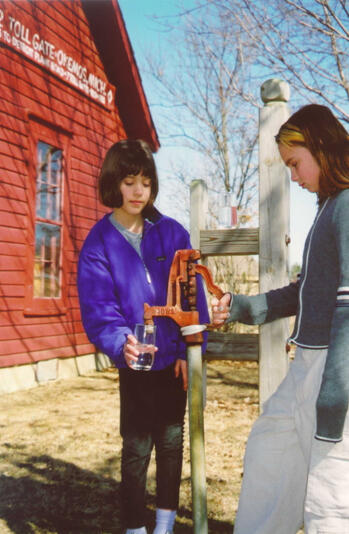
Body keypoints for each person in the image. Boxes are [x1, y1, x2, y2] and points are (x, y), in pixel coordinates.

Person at [212, 104, 349, 534]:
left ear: (322, 147)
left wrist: (336, 390)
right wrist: (241, 306)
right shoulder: (328, 206)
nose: (293, 176)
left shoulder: (347, 205)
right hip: (307, 365)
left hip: (334, 368)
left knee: (330, 495)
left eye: (295, 163)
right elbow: (306, 290)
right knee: (270, 453)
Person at [77, 139, 209, 534]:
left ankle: (165, 525)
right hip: (135, 362)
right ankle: (135, 528)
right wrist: (121, 342)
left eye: (146, 182)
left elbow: (192, 294)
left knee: (171, 443)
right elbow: (99, 308)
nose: (138, 191)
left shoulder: (172, 233)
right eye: (130, 181)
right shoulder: (99, 242)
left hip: (173, 361)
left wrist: (191, 349)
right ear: (114, 182)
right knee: (136, 448)